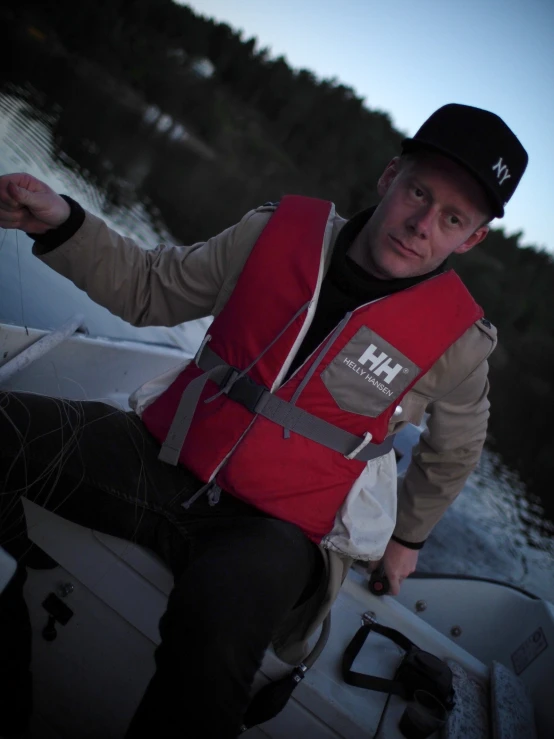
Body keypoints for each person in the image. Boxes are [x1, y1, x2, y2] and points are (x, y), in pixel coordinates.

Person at [0, 103, 527, 738]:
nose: (421, 225)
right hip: (160, 458)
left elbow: (456, 449)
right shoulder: (273, 232)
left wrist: (407, 539)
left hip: (276, 535)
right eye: (419, 191)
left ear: (471, 238)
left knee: (216, 640)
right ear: (390, 176)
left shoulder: (461, 344)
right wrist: (62, 223)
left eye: (451, 218)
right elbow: (149, 289)